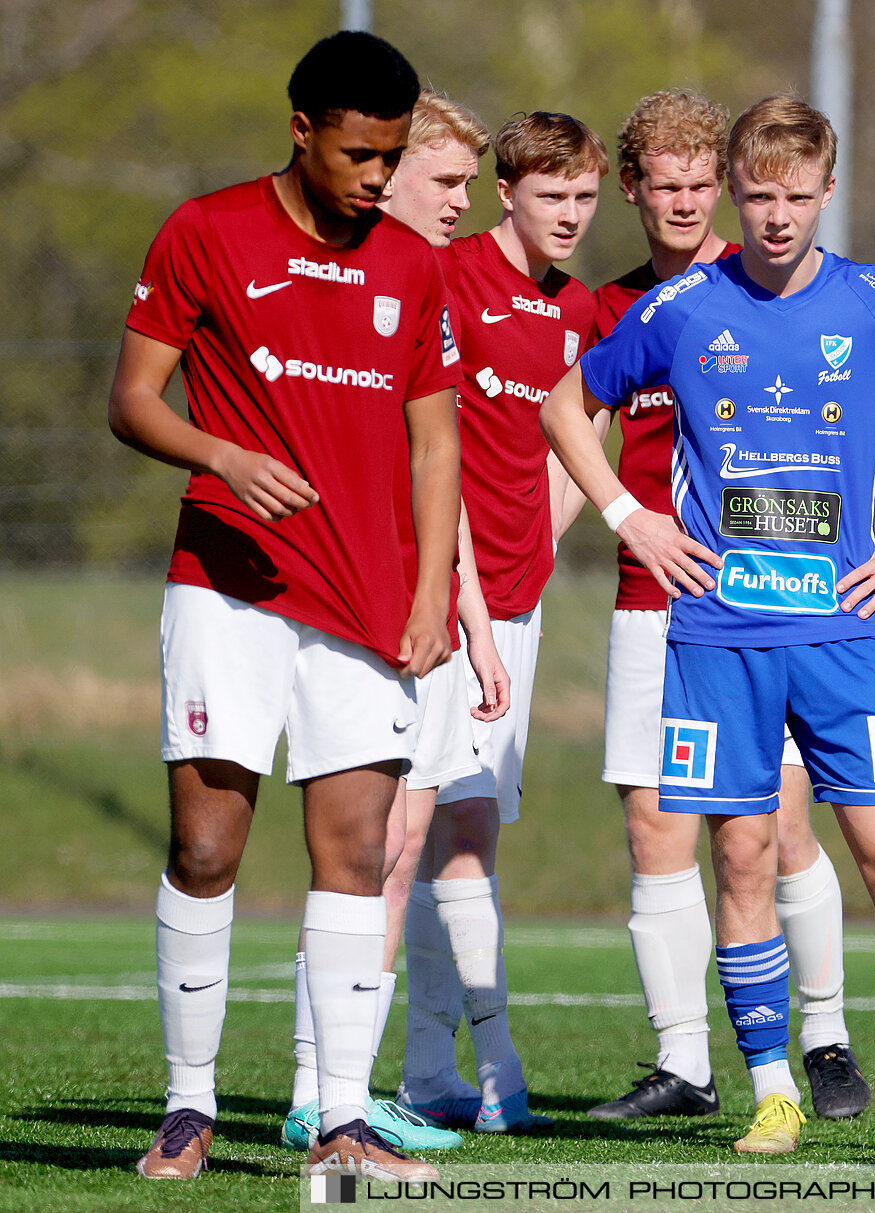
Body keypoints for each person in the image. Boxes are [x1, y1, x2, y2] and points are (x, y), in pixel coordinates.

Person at [542, 93, 875, 1156]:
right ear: (733, 193)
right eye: (757, 195)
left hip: (847, 633)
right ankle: (770, 1089)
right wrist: (631, 516)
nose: (776, 217)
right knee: (744, 856)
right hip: (717, 638)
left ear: (827, 193)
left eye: (797, 196)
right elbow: (563, 408)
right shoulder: (680, 309)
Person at [112, 31, 459, 1181]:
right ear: (301, 130)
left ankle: (346, 1116)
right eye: (362, 154)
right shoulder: (204, 231)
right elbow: (131, 400)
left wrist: (431, 591)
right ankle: (189, 1106)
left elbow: (435, 442)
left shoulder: (412, 264)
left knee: (356, 854)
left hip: (366, 601)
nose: (378, 178)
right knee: (206, 847)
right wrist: (222, 457)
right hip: (230, 590)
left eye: (395, 156)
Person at [582, 87, 870, 1124]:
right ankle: (685, 1065)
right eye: (666, 184)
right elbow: (564, 433)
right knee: (659, 827)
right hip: (648, 606)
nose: (686, 201)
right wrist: (622, 519)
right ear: (634, 190)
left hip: (773, 604)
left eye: (707, 184)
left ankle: (826, 1037)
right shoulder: (610, 310)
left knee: (778, 828)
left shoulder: (768, 288)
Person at [281, 86, 502, 1157]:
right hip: (350, 601)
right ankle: (320, 1090)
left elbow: (440, 472)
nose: (463, 200)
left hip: (423, 605)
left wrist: (468, 607)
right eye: (446, 179)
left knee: (401, 841)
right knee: (363, 845)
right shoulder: (342, 279)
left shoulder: (427, 285)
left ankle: (345, 1091)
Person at [392, 111, 610, 1134]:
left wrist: (554, 530)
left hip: (515, 606)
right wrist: (468, 581)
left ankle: (432, 1073)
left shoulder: (581, 315)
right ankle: (485, 1062)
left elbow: (584, 429)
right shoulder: (450, 275)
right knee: (412, 832)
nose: (569, 216)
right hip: (435, 599)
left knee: (467, 831)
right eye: (550, 196)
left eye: (584, 198)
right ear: (508, 192)